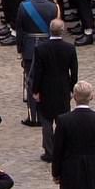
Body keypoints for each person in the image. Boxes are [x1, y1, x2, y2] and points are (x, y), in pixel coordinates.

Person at [16, 0, 60, 127]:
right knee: (46, 81)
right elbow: (56, 28)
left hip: (29, 48)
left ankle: (33, 116)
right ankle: (45, 114)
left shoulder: (23, 5)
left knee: (31, 81)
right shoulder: (53, 6)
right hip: (47, 47)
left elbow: (20, 30)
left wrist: (20, 49)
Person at [32, 19, 78, 162]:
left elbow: (37, 72)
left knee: (46, 121)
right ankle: (63, 149)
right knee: (63, 121)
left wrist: (35, 90)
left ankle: (49, 151)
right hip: (63, 88)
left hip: (46, 88)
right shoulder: (69, 48)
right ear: (62, 30)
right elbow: (74, 71)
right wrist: (71, 88)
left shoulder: (41, 48)